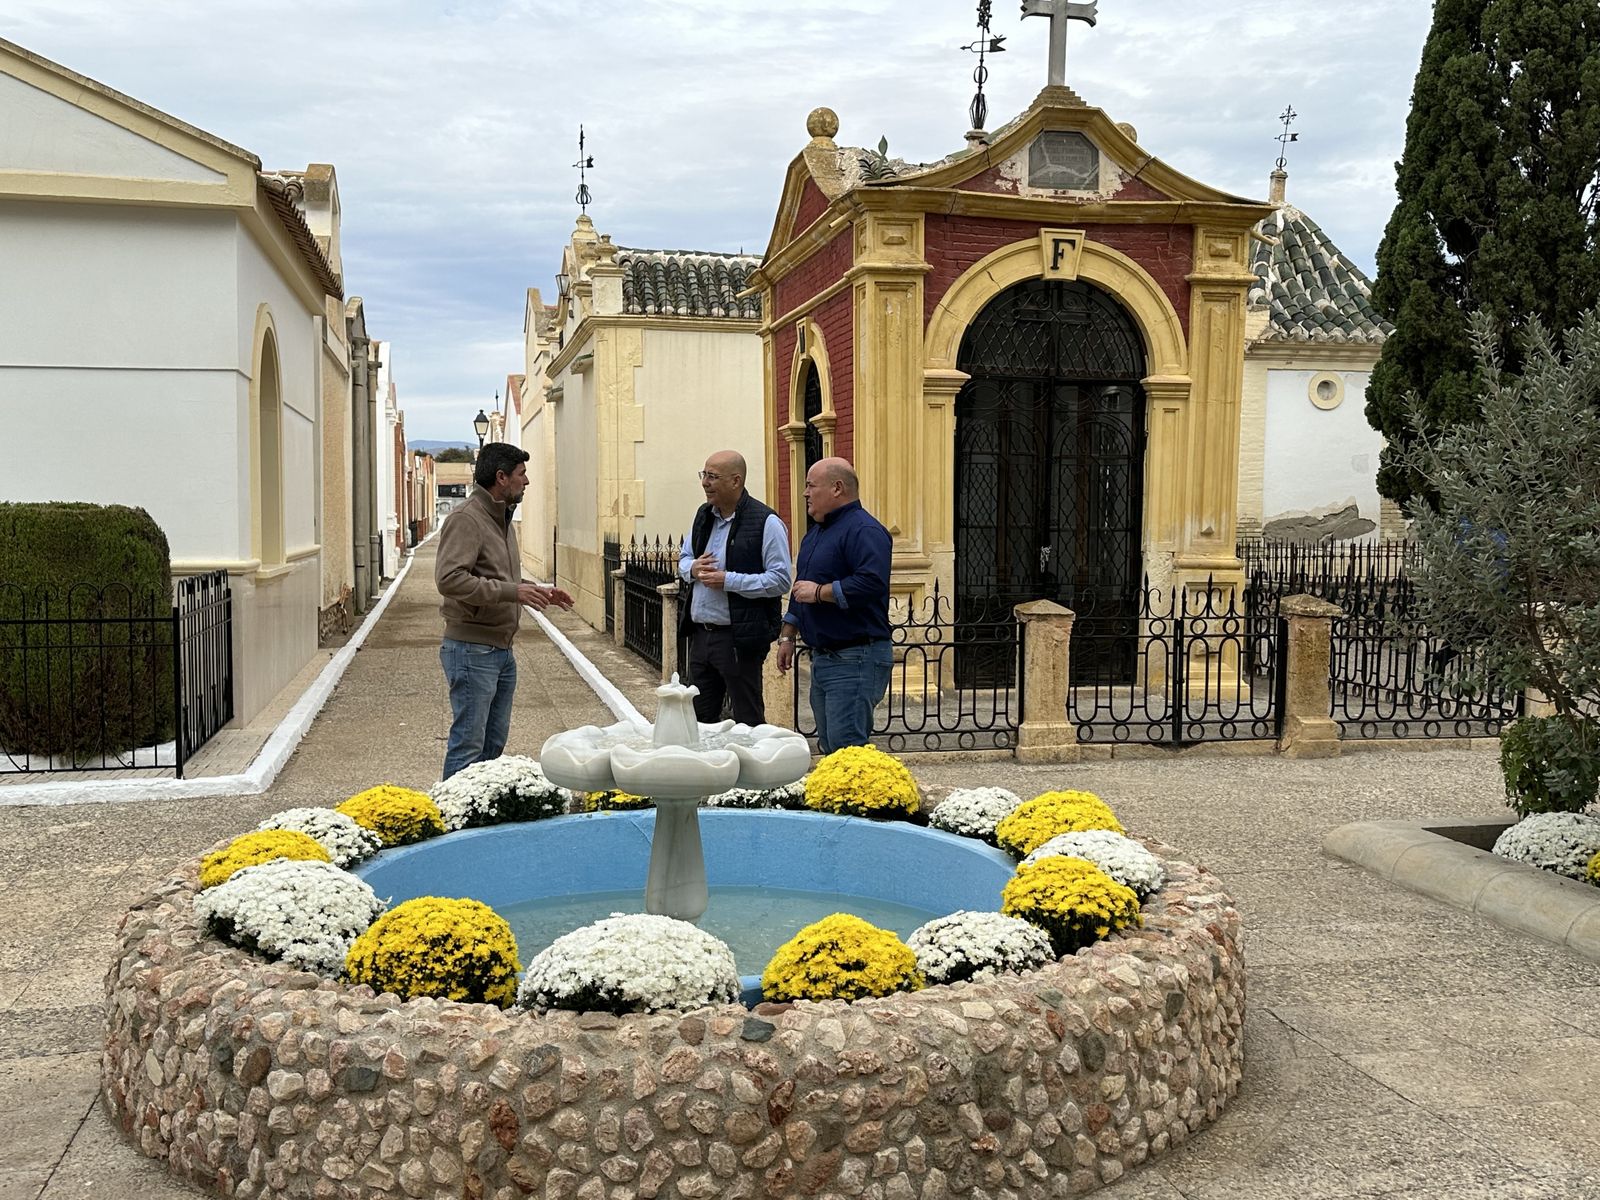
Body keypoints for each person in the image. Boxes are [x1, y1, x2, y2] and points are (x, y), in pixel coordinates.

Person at [435, 442, 572, 779]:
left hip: (500, 650)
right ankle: (454, 823)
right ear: (501, 477)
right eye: (522, 474)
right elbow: (450, 580)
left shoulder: (502, 518)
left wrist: (535, 591)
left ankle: (479, 822)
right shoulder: (467, 519)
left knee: (492, 746)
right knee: (468, 745)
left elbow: (497, 576)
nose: (527, 482)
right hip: (471, 650)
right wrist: (514, 591)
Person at [775, 457, 893, 752]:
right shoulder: (816, 533)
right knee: (830, 747)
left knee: (847, 748)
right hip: (825, 657)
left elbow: (871, 582)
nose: (805, 493)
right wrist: (788, 634)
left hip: (856, 655)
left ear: (837, 488)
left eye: (810, 486)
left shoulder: (865, 530)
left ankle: (858, 800)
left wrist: (821, 593)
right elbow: (801, 585)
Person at [677, 450, 792, 724]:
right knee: (699, 720)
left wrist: (728, 580)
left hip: (739, 638)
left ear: (735, 481)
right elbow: (683, 560)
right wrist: (693, 569)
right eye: (704, 475)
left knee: (747, 719)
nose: (705, 483)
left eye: (713, 477)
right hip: (701, 636)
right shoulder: (704, 516)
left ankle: (749, 767)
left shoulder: (766, 522)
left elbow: (780, 579)